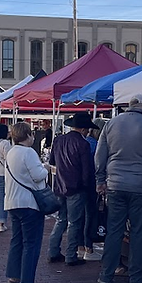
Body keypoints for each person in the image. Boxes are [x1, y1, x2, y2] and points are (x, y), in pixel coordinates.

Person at [94, 94, 142, 283]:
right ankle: (136, 278)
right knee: (139, 232)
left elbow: (100, 155)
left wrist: (100, 180)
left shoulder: (111, 124)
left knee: (114, 231)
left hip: (115, 184)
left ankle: (105, 276)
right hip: (141, 185)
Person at [2, 121, 49, 283]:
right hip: (29, 203)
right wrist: (45, 168)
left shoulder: (11, 152)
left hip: (12, 202)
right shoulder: (29, 152)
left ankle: (13, 278)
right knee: (31, 243)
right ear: (28, 135)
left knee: (17, 241)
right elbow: (38, 176)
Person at [48, 112, 98, 267]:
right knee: (74, 223)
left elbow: (52, 161)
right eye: (87, 129)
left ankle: (53, 251)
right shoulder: (83, 144)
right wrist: (88, 188)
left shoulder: (58, 140)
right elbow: (87, 170)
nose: (88, 132)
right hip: (77, 188)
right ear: (83, 129)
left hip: (60, 186)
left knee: (61, 220)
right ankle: (71, 255)